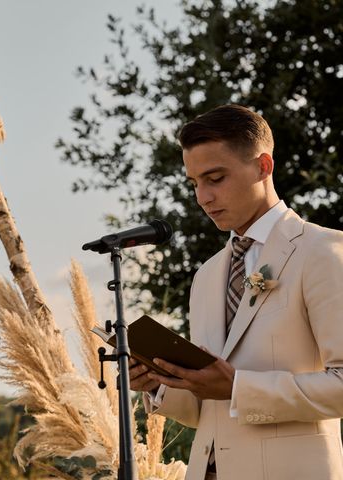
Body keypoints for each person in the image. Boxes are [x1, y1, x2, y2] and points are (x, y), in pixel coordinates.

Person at [131, 104, 343, 480]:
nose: (203, 197)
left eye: (215, 178)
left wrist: (239, 387)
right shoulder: (207, 275)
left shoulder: (322, 252)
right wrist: (161, 383)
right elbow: (208, 409)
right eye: (194, 183)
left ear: (263, 166)